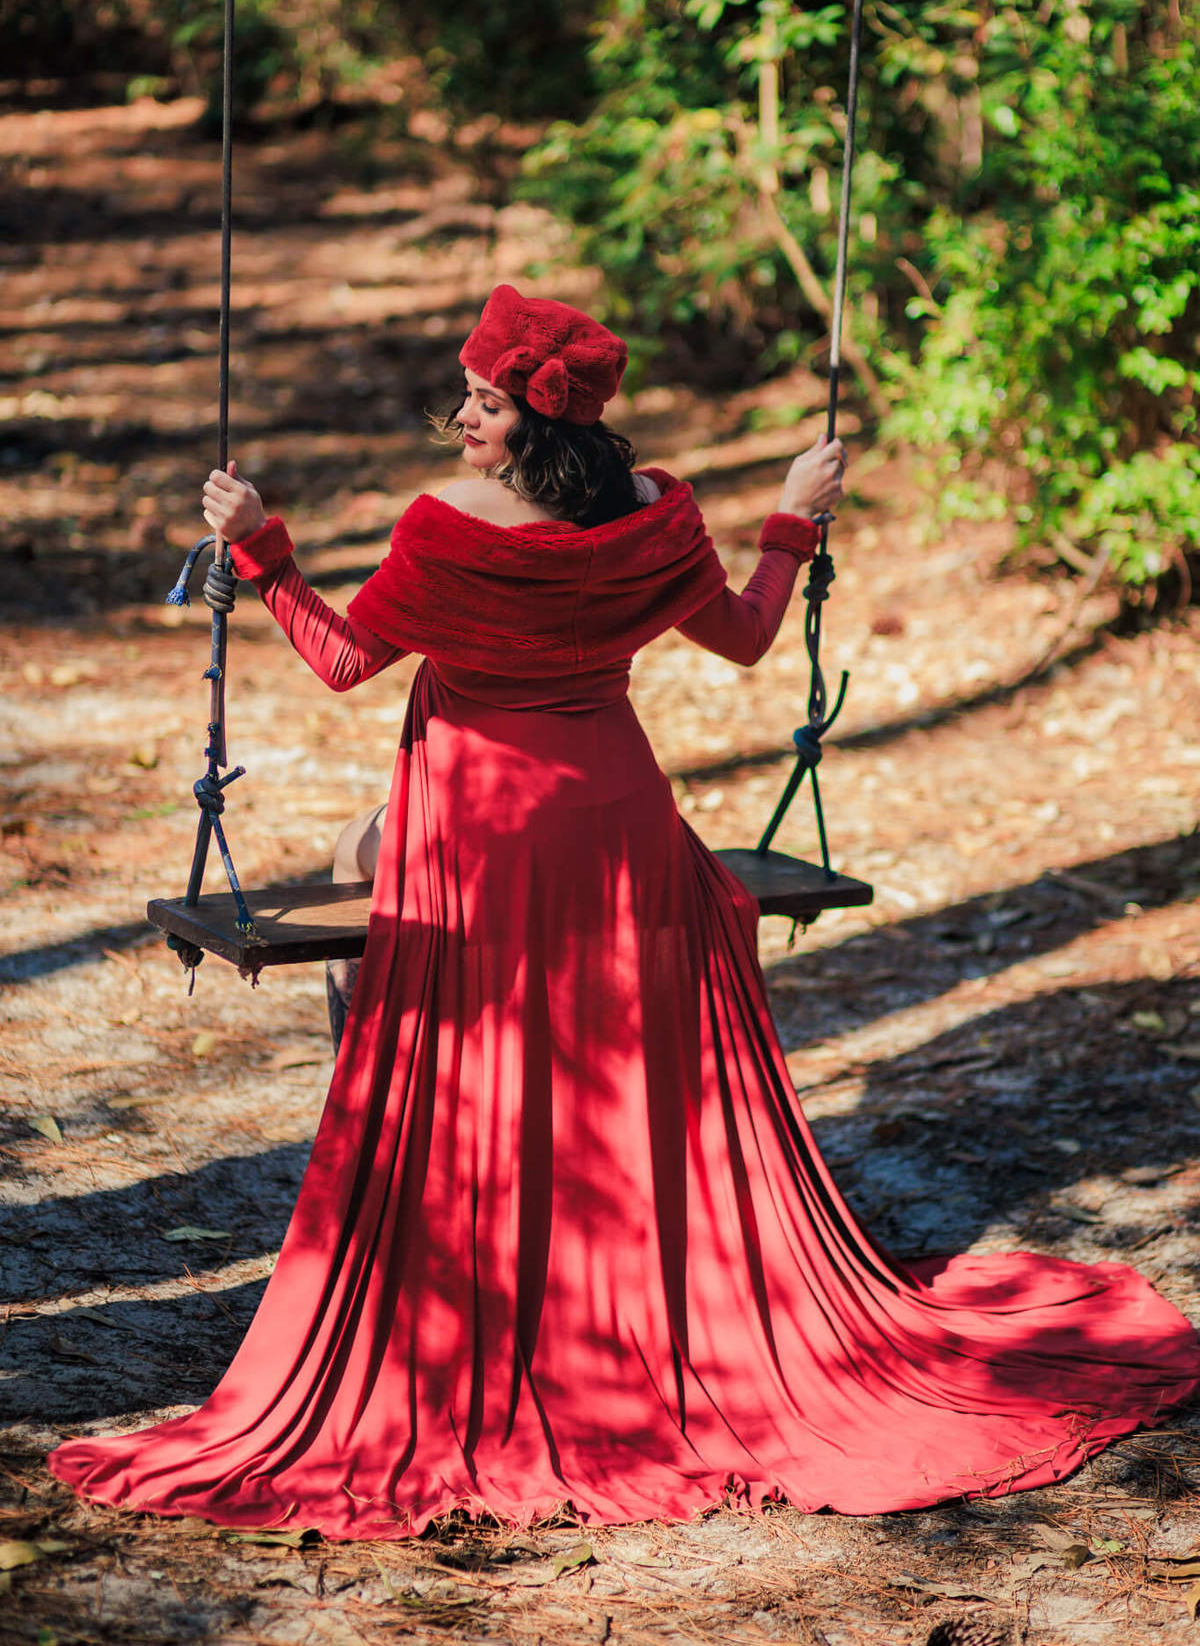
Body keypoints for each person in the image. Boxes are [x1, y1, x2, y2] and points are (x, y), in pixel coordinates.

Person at [50, 285, 1199, 1538]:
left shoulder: (449, 532)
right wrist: (790, 524)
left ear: (536, 420)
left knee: (462, 1043)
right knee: (603, 1063)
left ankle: (460, 1265)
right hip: (620, 821)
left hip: (482, 826)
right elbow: (752, 637)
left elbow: (339, 660)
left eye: (483, 403)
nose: (462, 422)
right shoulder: (655, 514)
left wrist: (262, 548)